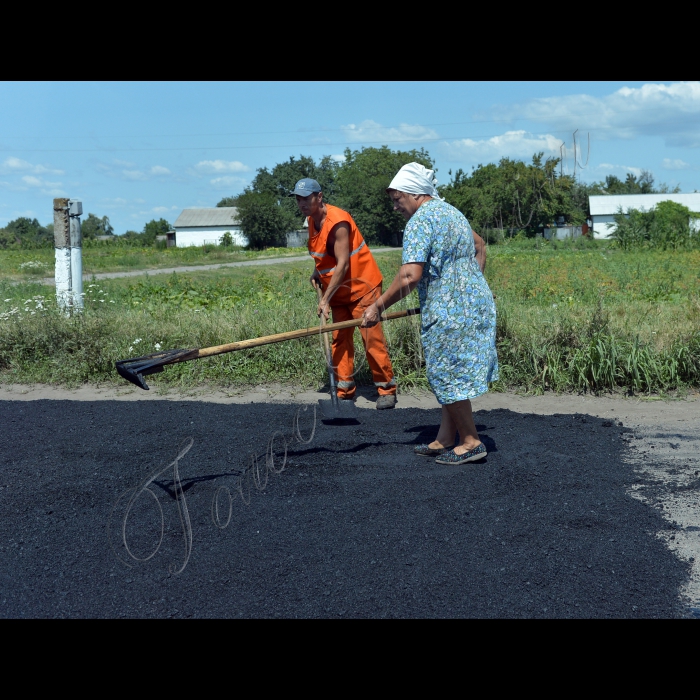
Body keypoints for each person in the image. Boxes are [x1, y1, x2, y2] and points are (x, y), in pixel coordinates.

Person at [361, 163, 498, 463]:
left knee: (446, 373)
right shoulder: (451, 212)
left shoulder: (420, 221)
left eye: (398, 200)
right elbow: (480, 246)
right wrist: (469, 287)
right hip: (474, 305)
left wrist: (377, 306)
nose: (395, 207)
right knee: (451, 373)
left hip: (450, 313)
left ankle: (472, 442)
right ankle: (447, 437)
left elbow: (410, 275)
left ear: (414, 194)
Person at [293, 178, 398, 409]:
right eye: (298, 199)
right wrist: (317, 272)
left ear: (319, 197)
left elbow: (342, 265)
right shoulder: (311, 220)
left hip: (362, 286)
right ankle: (344, 389)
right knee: (339, 339)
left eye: (306, 198)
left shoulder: (338, 221)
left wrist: (325, 300)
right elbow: (325, 255)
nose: (302, 203)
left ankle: (386, 389)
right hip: (338, 290)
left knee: (371, 338)